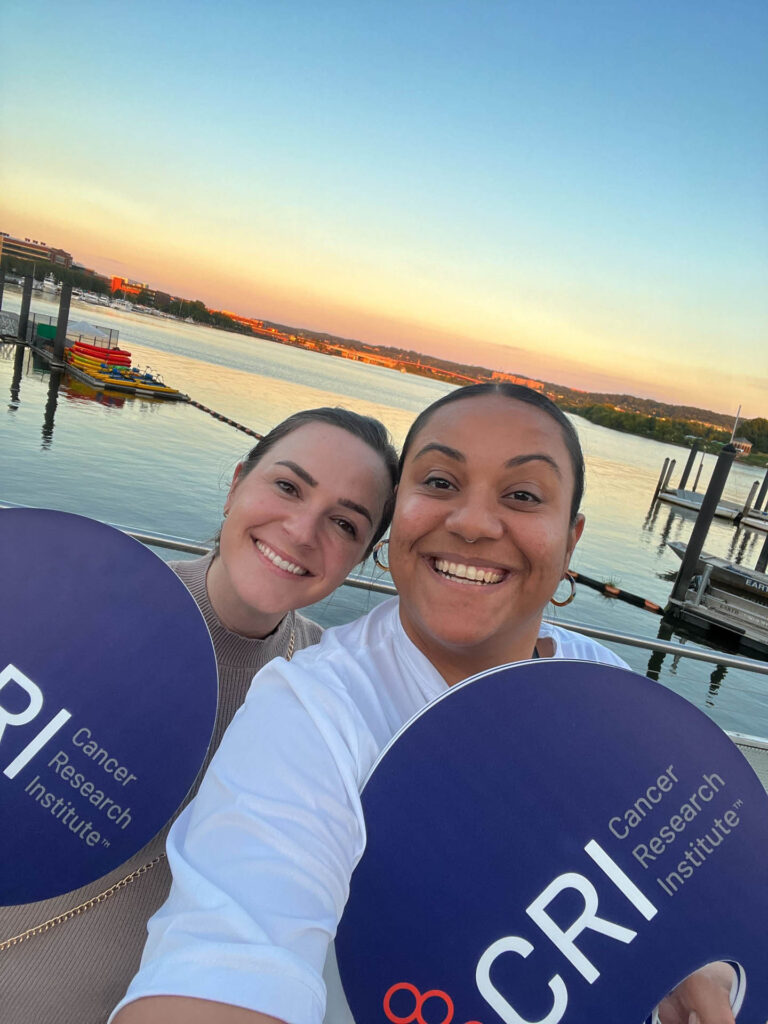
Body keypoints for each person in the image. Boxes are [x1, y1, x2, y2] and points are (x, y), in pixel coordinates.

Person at [112, 384, 736, 1024]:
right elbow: (230, 956)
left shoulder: (603, 682)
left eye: (522, 495)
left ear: (570, 539)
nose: (470, 522)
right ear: (397, 521)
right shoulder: (316, 711)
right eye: (439, 482)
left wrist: (690, 958)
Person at [0, 406, 398, 1024]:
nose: (300, 529)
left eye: (344, 523)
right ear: (237, 483)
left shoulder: (329, 696)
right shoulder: (85, 598)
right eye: (288, 487)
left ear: (364, 557)